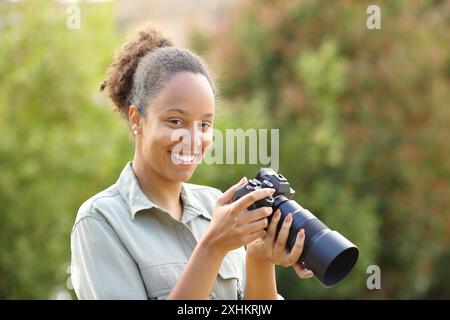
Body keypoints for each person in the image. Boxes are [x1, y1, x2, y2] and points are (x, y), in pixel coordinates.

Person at [70, 24, 313, 300]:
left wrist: (259, 259)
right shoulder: (101, 221)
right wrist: (212, 247)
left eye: (205, 125)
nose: (193, 139)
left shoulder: (217, 208)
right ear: (137, 119)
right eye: (176, 121)